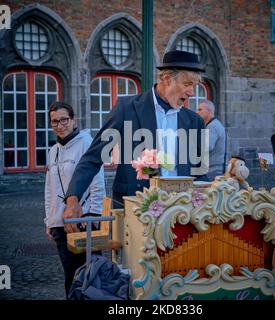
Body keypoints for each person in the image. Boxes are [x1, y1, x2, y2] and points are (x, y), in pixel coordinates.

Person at [63, 50, 209, 233]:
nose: (192, 92)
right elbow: (93, 157)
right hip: (135, 211)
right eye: (187, 84)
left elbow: (200, 173)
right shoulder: (126, 108)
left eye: (194, 86)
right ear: (166, 78)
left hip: (182, 215)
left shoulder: (194, 120)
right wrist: (73, 198)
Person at [44, 101, 105, 298]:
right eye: (54, 122)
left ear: (73, 120)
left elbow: (97, 183)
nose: (60, 125)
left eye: (64, 120)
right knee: (70, 275)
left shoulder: (87, 143)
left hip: (83, 221)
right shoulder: (53, 150)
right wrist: (49, 220)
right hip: (60, 223)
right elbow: (49, 189)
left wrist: (94, 218)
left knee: (88, 276)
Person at [197, 100, 226, 181]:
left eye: (200, 110)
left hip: (213, 170)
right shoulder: (214, 124)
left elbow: (207, 146)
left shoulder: (212, 126)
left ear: (209, 111)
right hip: (215, 169)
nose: (197, 112)